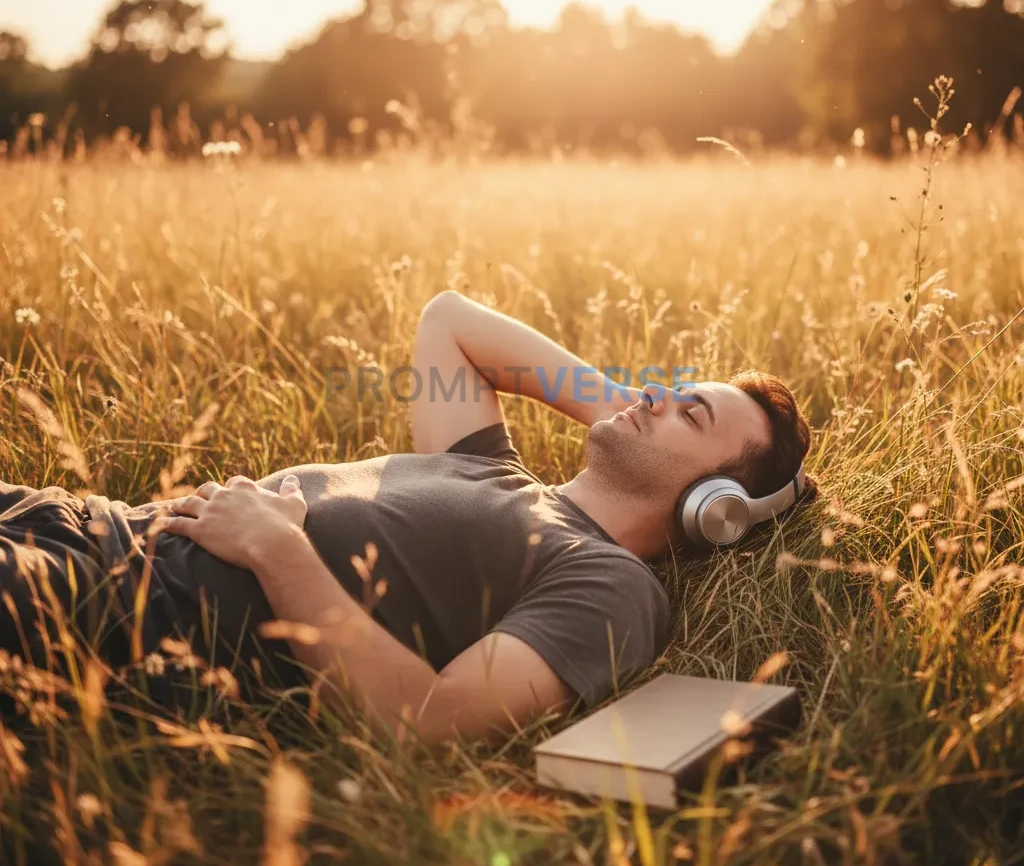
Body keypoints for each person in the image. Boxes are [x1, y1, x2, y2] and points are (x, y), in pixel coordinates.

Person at [0, 291, 817, 745]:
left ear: (717, 511)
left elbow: (430, 723)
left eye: (692, 414)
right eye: (670, 388)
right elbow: (449, 320)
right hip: (72, 520)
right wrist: (634, 413)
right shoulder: (491, 466)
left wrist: (280, 550)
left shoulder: (611, 584)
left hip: (100, 610)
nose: (656, 393)